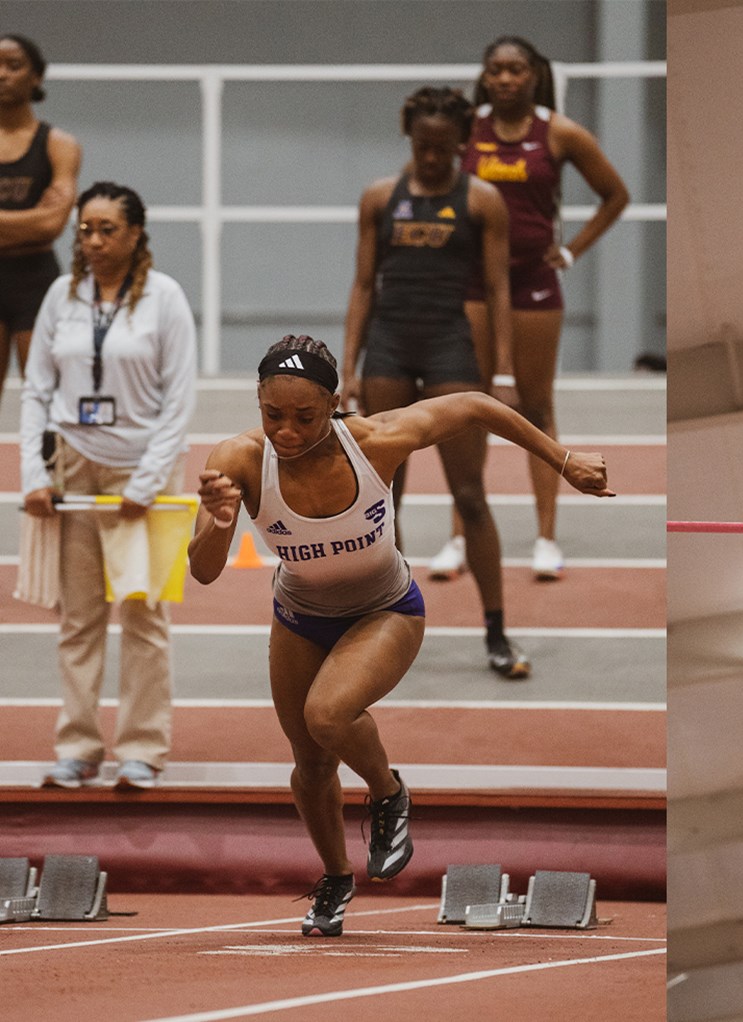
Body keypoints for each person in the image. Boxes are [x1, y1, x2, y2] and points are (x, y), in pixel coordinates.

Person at [188, 335, 611, 937]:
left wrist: (562, 460)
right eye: (272, 414)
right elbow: (203, 571)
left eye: (305, 417)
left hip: (385, 609)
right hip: (299, 618)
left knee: (328, 715)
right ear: (256, 402)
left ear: (335, 404)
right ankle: (336, 877)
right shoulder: (237, 460)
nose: (286, 430)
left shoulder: (376, 441)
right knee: (310, 765)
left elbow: (475, 404)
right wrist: (220, 524)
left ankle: (387, 794)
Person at [426, 35, 629, 583]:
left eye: (517, 70)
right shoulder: (468, 129)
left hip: (534, 283)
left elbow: (616, 195)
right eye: (497, 70)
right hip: (471, 282)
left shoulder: (558, 133)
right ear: (485, 77)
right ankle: (458, 536)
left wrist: (570, 251)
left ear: (535, 75)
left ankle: (545, 537)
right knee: (467, 404)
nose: (507, 79)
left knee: (536, 406)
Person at [342, 85, 529, 678]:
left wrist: (500, 372)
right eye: (423, 146)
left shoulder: (482, 200)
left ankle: (497, 631)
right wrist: (349, 370)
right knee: (382, 497)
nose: (431, 158)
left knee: (469, 494)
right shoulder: (379, 197)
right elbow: (364, 284)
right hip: (390, 349)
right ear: (409, 137)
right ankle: (382, 618)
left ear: (462, 142)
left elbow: (499, 289)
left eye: (443, 148)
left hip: (450, 345)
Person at [19, 181, 194, 790]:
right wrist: (34, 473)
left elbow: (179, 399)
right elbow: (37, 389)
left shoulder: (165, 298)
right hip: (75, 467)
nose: (93, 241)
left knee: (144, 614)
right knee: (79, 617)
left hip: (141, 473)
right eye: (85, 230)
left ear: (135, 234)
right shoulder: (61, 296)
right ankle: (78, 746)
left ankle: (142, 749)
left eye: (106, 230)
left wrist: (148, 481)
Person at [0, 34, 81, 398]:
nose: (2, 74)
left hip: (35, 279)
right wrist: (30, 220)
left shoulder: (58, 145)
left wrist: (41, 221)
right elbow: (40, 220)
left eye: (14, 65)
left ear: (35, 77)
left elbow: (53, 224)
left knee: (44, 394)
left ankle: (44, 458)